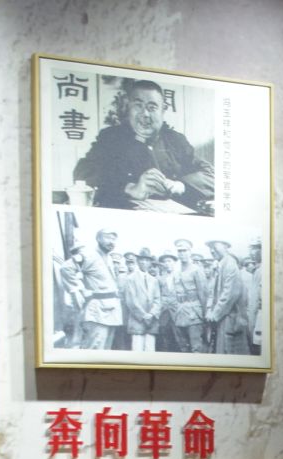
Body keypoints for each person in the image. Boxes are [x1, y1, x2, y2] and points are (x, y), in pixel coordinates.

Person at [75, 77, 215, 211]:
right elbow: (83, 173)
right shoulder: (111, 138)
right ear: (129, 109)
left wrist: (179, 185)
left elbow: (211, 176)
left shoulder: (176, 140)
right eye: (138, 106)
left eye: (152, 107)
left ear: (163, 110)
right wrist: (131, 188)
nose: (145, 114)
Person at [76, 231, 125, 350]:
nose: (111, 242)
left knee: (105, 350)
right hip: (97, 313)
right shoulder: (88, 255)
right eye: (108, 238)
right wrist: (80, 290)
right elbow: (66, 269)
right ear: (98, 239)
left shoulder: (109, 258)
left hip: (111, 312)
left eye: (113, 239)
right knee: (94, 349)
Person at [121, 249, 162, 352]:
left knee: (150, 349)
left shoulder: (154, 280)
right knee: (137, 350)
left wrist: (152, 314)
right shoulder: (131, 279)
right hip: (137, 320)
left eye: (147, 260)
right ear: (138, 261)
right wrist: (143, 315)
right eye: (141, 260)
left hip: (152, 321)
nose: (144, 262)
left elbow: (157, 300)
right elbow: (131, 300)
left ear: (150, 263)